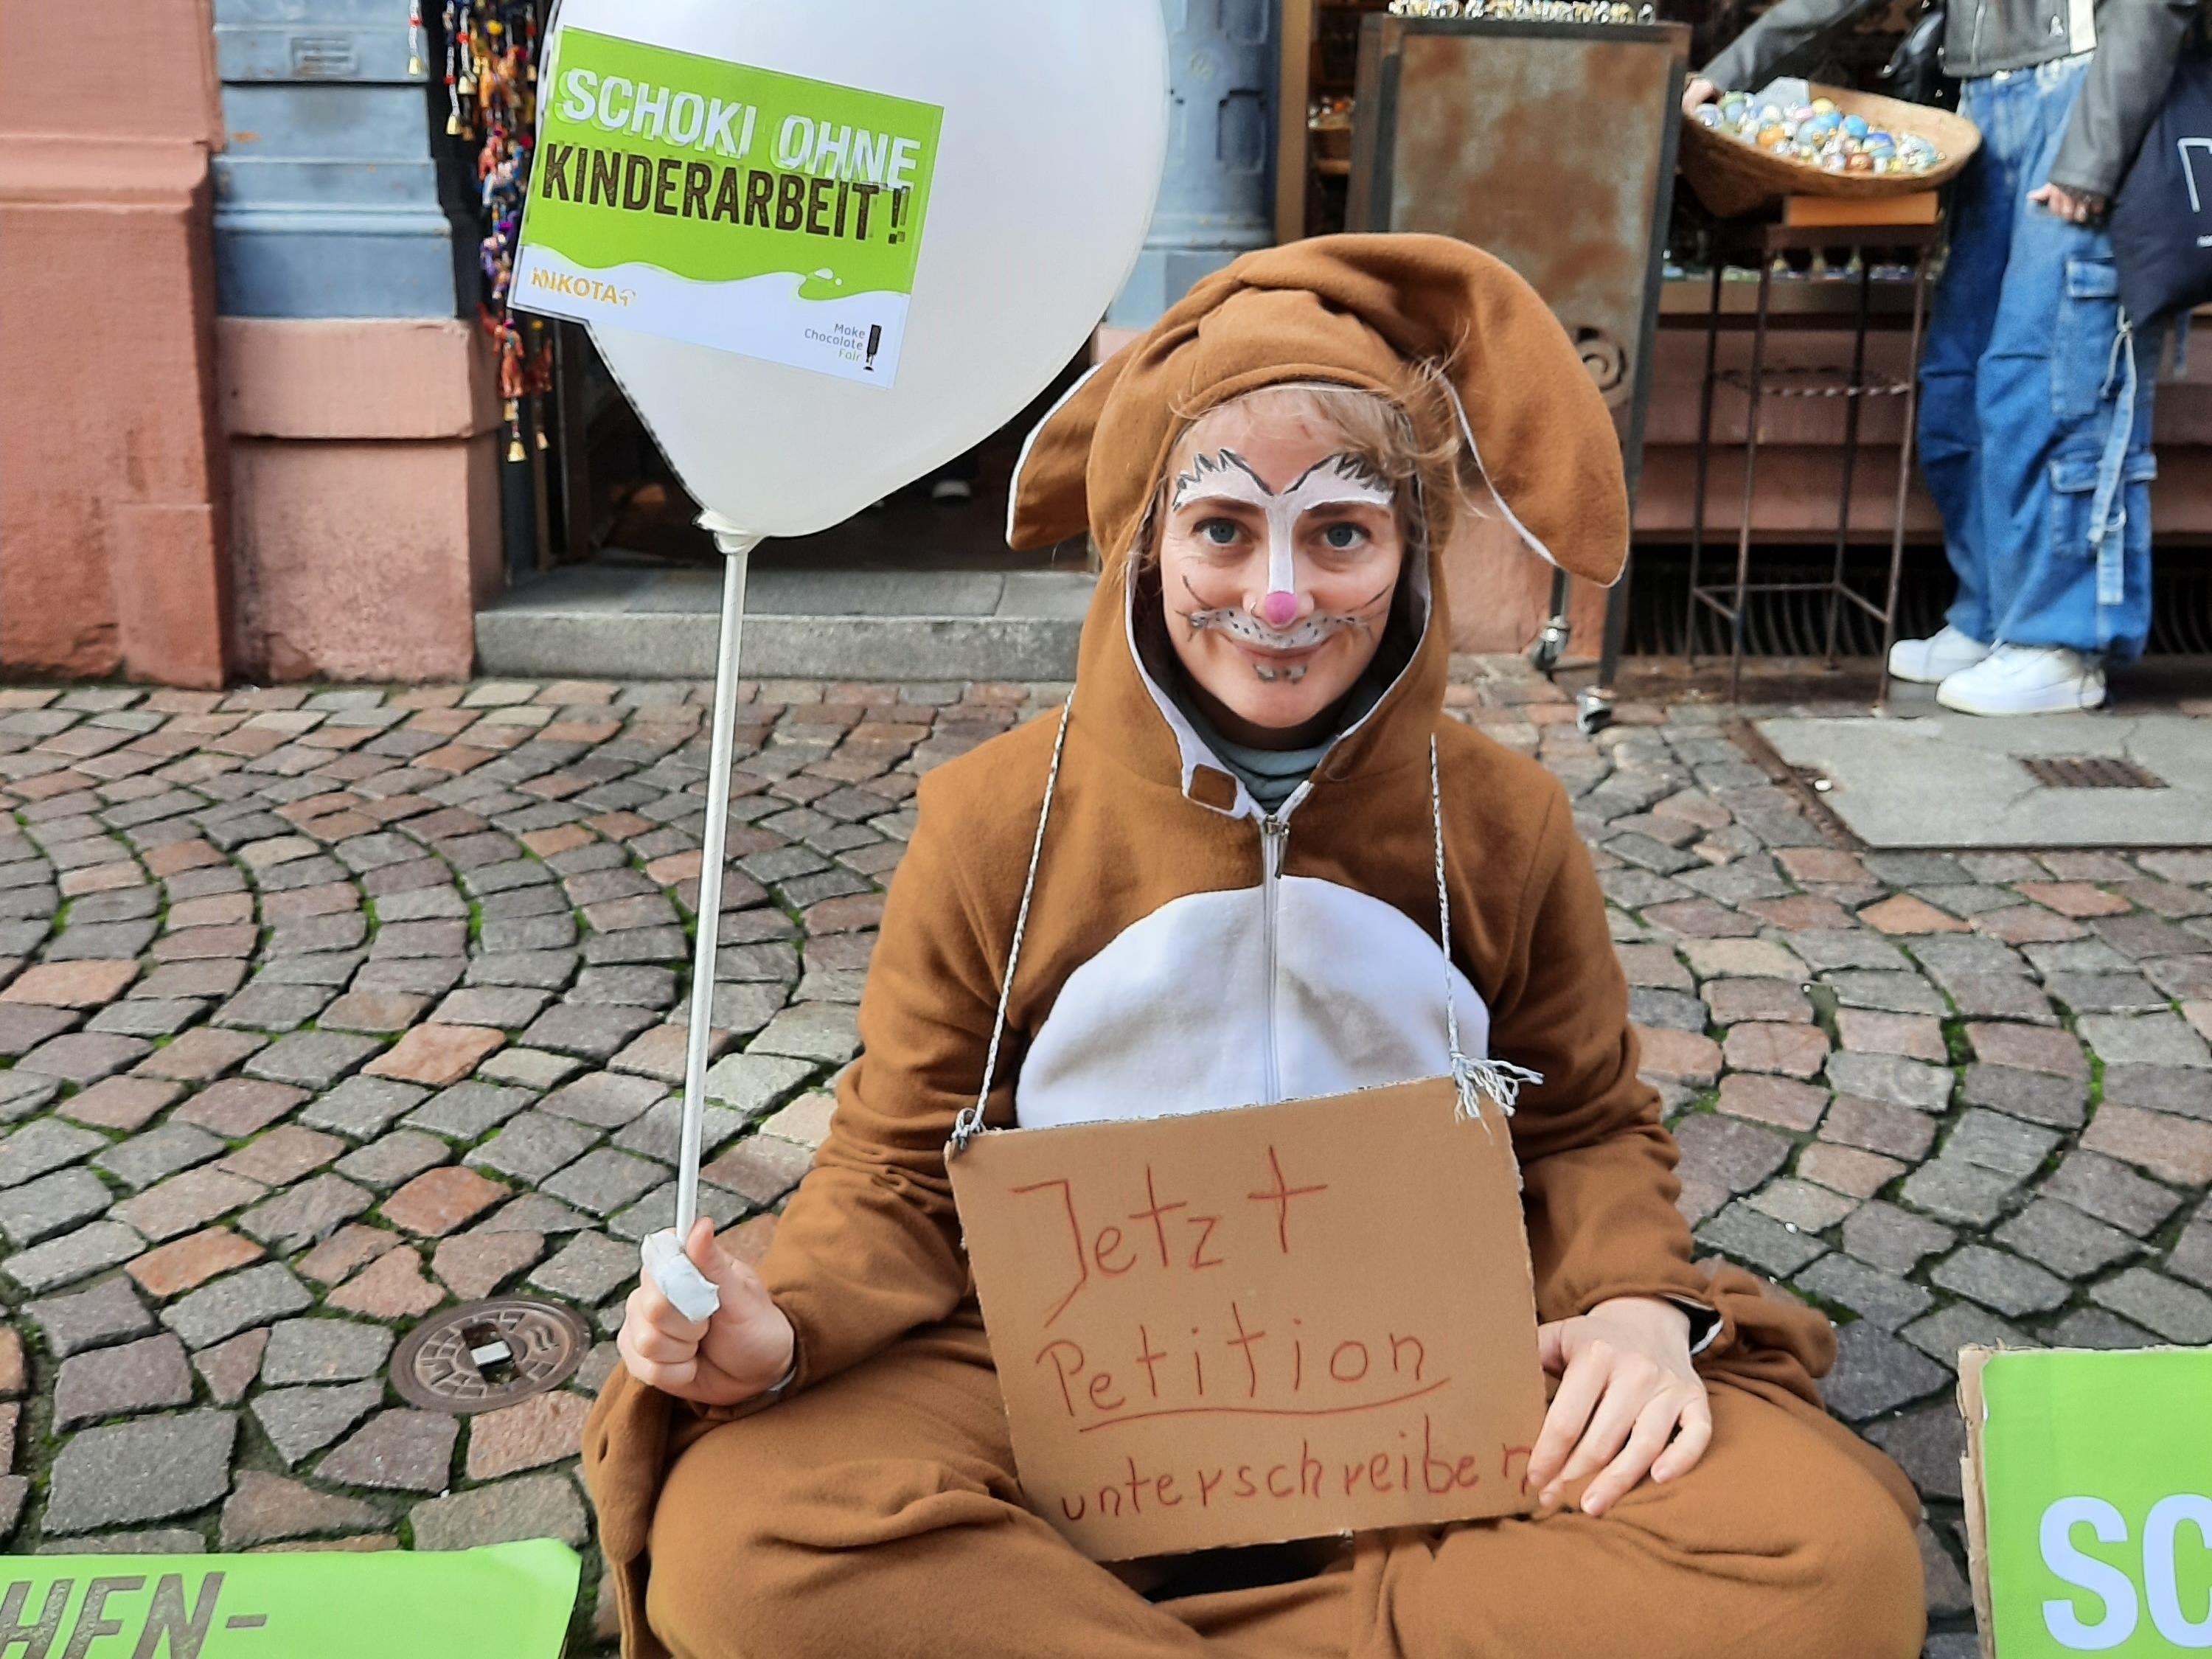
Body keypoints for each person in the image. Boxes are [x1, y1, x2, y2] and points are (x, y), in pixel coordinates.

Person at [583, 234, 1924, 1659]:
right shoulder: (991, 827)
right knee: (750, 1549)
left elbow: (1587, 1120)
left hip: (1439, 1365)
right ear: (1144, 542)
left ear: (1410, 555)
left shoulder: (1504, 822)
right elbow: (906, 1165)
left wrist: (1637, 1308)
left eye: (1340, 534)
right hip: (1065, 1375)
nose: (1278, 600)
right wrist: (785, 1326)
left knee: (1827, 1565)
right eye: (1223, 528)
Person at [1687, 0, 2194, 714]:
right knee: (1962, 378)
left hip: (2083, 92)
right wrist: (1729, 72)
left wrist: (2095, 152)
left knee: (2054, 371)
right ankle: (1993, 617)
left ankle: (2059, 643)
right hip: (1986, 101)